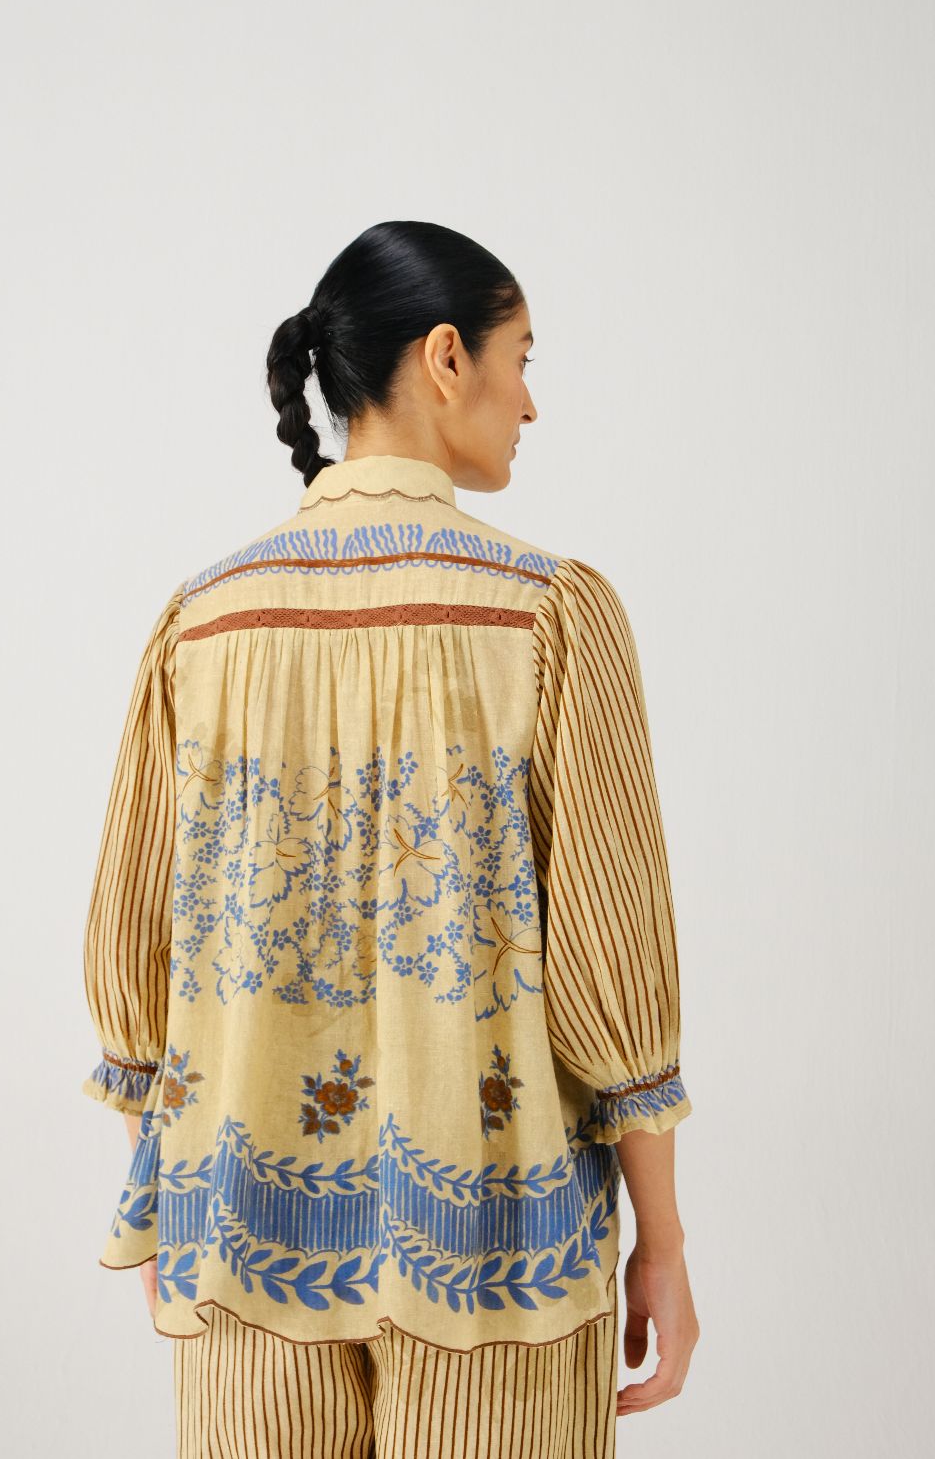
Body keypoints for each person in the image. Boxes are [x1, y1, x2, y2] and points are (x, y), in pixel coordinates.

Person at [81, 219, 699, 1458]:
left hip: (240, 1236)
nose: (532, 402)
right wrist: (664, 1245)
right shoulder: (549, 615)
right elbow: (611, 965)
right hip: (500, 1259)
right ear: (446, 357)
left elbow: (133, 943)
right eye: (522, 358)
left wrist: (165, 1195)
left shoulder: (203, 622)